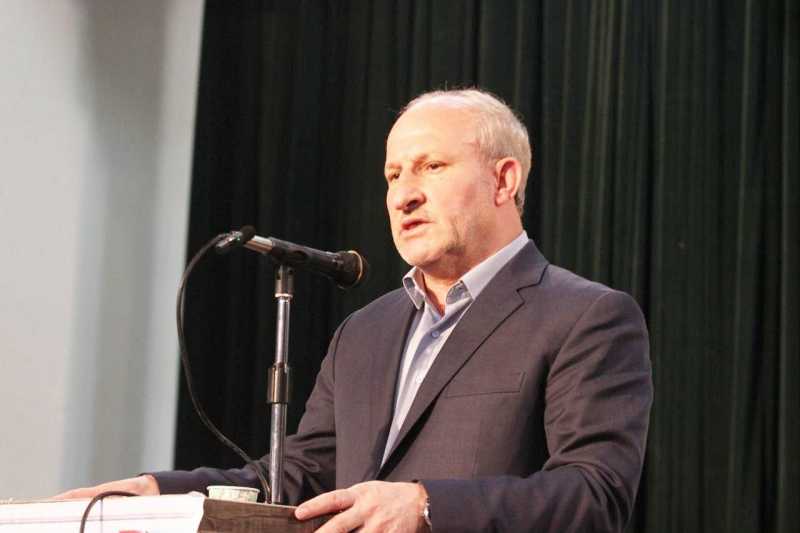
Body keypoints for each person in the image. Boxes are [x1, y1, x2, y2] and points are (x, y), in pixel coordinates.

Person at [59, 89, 653, 532]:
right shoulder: (365, 331)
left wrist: (426, 506)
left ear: (504, 180)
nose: (403, 195)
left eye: (432, 167)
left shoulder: (586, 317)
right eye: (393, 175)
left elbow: (594, 494)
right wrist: (162, 493)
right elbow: (301, 476)